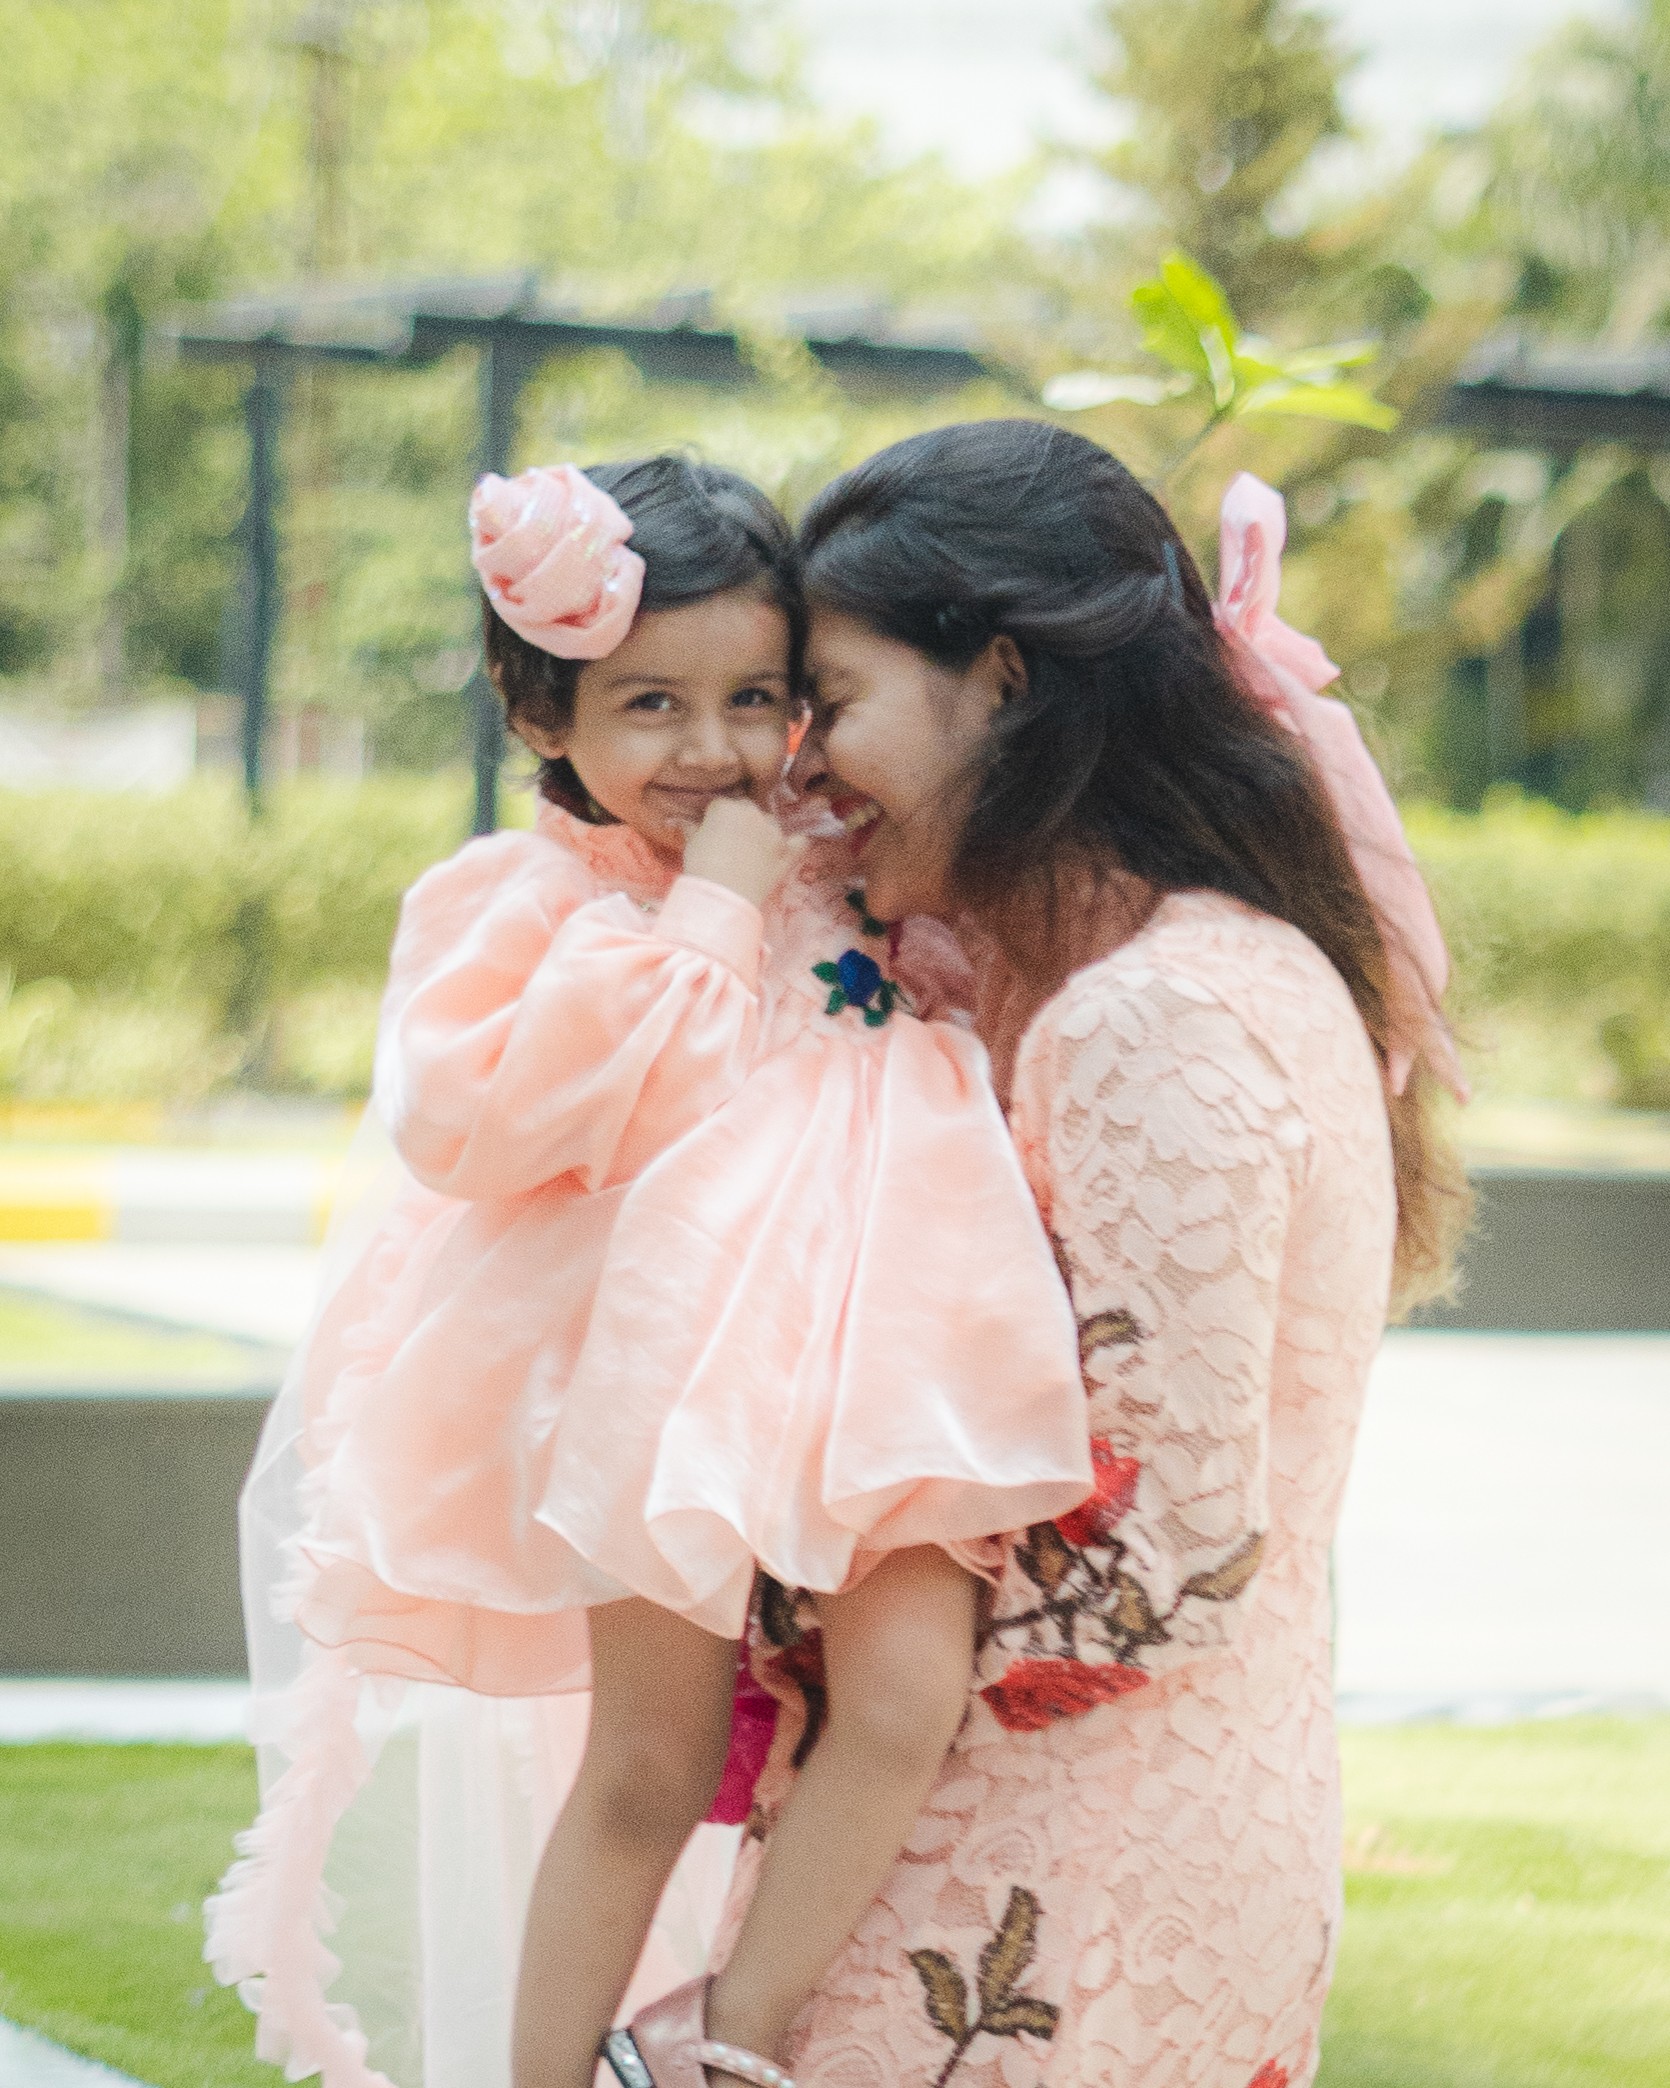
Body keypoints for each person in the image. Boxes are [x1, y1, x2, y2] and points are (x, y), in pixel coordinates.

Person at [204, 454, 1092, 2088]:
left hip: (890, 1353)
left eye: (755, 696)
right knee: (651, 1757)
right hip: (664, 1376)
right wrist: (706, 914)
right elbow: (477, 1121)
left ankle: (720, 2044)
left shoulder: (851, 860)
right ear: (544, 718)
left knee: (902, 1696)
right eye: (648, 706)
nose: (712, 751)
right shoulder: (527, 900)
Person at [706, 420, 1471, 2088]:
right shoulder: (1115, 982)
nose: (802, 765)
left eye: (830, 700)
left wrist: (767, 1577)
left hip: (1050, 1881)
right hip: (1097, 1846)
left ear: (1000, 679)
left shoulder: (1157, 1020)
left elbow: (1153, 1571)